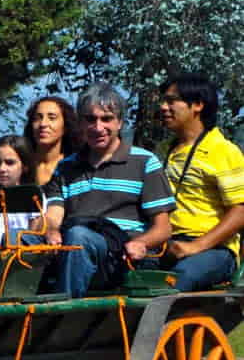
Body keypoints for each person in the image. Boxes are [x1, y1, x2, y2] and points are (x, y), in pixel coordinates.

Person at [38, 82, 175, 297]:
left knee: (79, 237)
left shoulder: (144, 162)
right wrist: (51, 230)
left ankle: (63, 315)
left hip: (121, 257)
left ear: (120, 122)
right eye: (90, 119)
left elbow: (163, 228)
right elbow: (54, 214)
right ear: (81, 124)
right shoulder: (66, 168)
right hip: (71, 247)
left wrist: (140, 243)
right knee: (22, 240)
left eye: (107, 119)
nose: (98, 127)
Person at [158, 73, 244, 290]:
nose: (163, 107)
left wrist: (195, 246)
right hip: (168, 245)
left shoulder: (223, 151)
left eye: (171, 101)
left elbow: (240, 210)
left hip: (214, 250)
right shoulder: (167, 150)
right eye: (163, 101)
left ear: (197, 105)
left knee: (175, 281)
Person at [0, 135, 40, 253]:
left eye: (10, 163)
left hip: (22, 261)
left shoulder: (34, 196)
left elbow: (33, 240)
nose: (2, 168)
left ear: (25, 166)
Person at [23, 96, 80, 185]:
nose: (43, 124)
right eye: (37, 118)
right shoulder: (21, 166)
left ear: (65, 126)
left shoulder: (76, 166)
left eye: (52, 118)